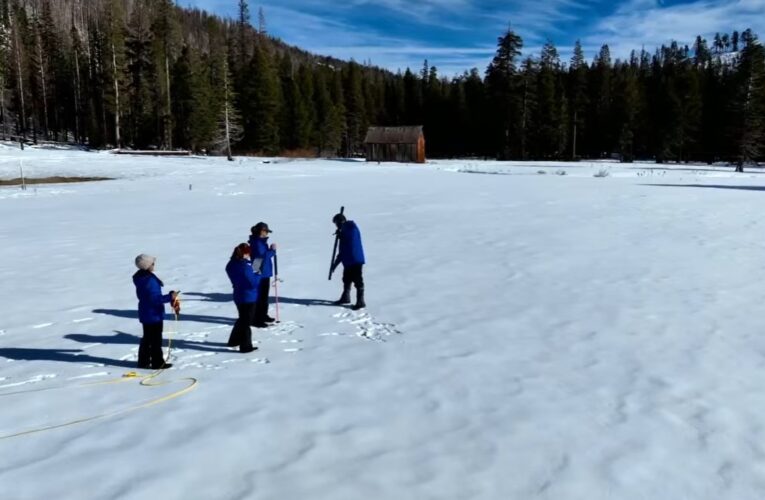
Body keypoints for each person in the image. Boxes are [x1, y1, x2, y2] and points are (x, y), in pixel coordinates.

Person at [133, 254, 180, 370]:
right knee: (155, 340)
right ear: (147, 266)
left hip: (146, 312)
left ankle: (143, 362)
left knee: (147, 338)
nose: (154, 265)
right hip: (153, 314)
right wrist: (170, 296)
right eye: (152, 263)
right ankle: (157, 363)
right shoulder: (149, 280)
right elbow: (155, 299)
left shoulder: (140, 277)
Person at [225, 243, 260, 353]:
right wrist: (258, 274)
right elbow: (253, 283)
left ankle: (233, 340)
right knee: (246, 322)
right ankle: (245, 346)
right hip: (248, 297)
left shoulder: (231, 264)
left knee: (242, 319)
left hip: (238, 295)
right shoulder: (245, 268)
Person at [330, 213, 366, 310]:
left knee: (357, 280)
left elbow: (350, 237)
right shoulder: (346, 229)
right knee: (346, 279)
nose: (336, 225)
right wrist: (335, 264)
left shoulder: (350, 227)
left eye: (336, 223)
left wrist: (341, 234)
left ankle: (360, 301)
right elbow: (342, 251)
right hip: (348, 260)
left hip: (355, 259)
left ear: (340, 222)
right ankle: (345, 297)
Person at [248, 222, 277, 327]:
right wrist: (272, 251)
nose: (266, 233)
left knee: (264, 297)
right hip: (260, 273)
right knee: (260, 297)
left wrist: (270, 250)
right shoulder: (257, 242)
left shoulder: (260, 241)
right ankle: (257, 319)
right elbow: (262, 255)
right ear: (261, 231)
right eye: (266, 231)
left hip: (263, 271)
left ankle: (263, 315)